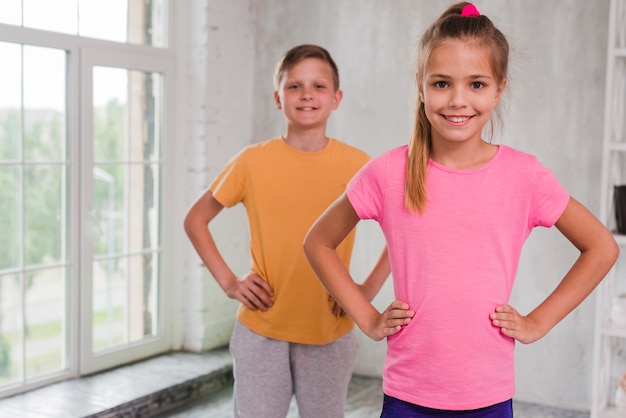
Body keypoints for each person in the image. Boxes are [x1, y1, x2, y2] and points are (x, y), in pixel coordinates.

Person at [303, 3, 619, 417]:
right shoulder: (388, 171)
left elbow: (601, 247)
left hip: (488, 396)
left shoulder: (524, 175)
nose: (457, 100)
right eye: (441, 84)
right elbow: (318, 242)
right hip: (407, 396)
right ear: (420, 86)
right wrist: (367, 318)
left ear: (499, 88)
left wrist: (538, 322)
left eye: (476, 84)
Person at [183, 44, 390, 418]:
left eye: (318, 86)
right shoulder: (251, 162)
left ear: (336, 98)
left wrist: (365, 291)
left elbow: (402, 231)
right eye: (294, 86)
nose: (307, 94)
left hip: (330, 331)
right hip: (261, 330)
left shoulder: (359, 166)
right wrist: (230, 283)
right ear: (277, 98)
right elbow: (195, 220)